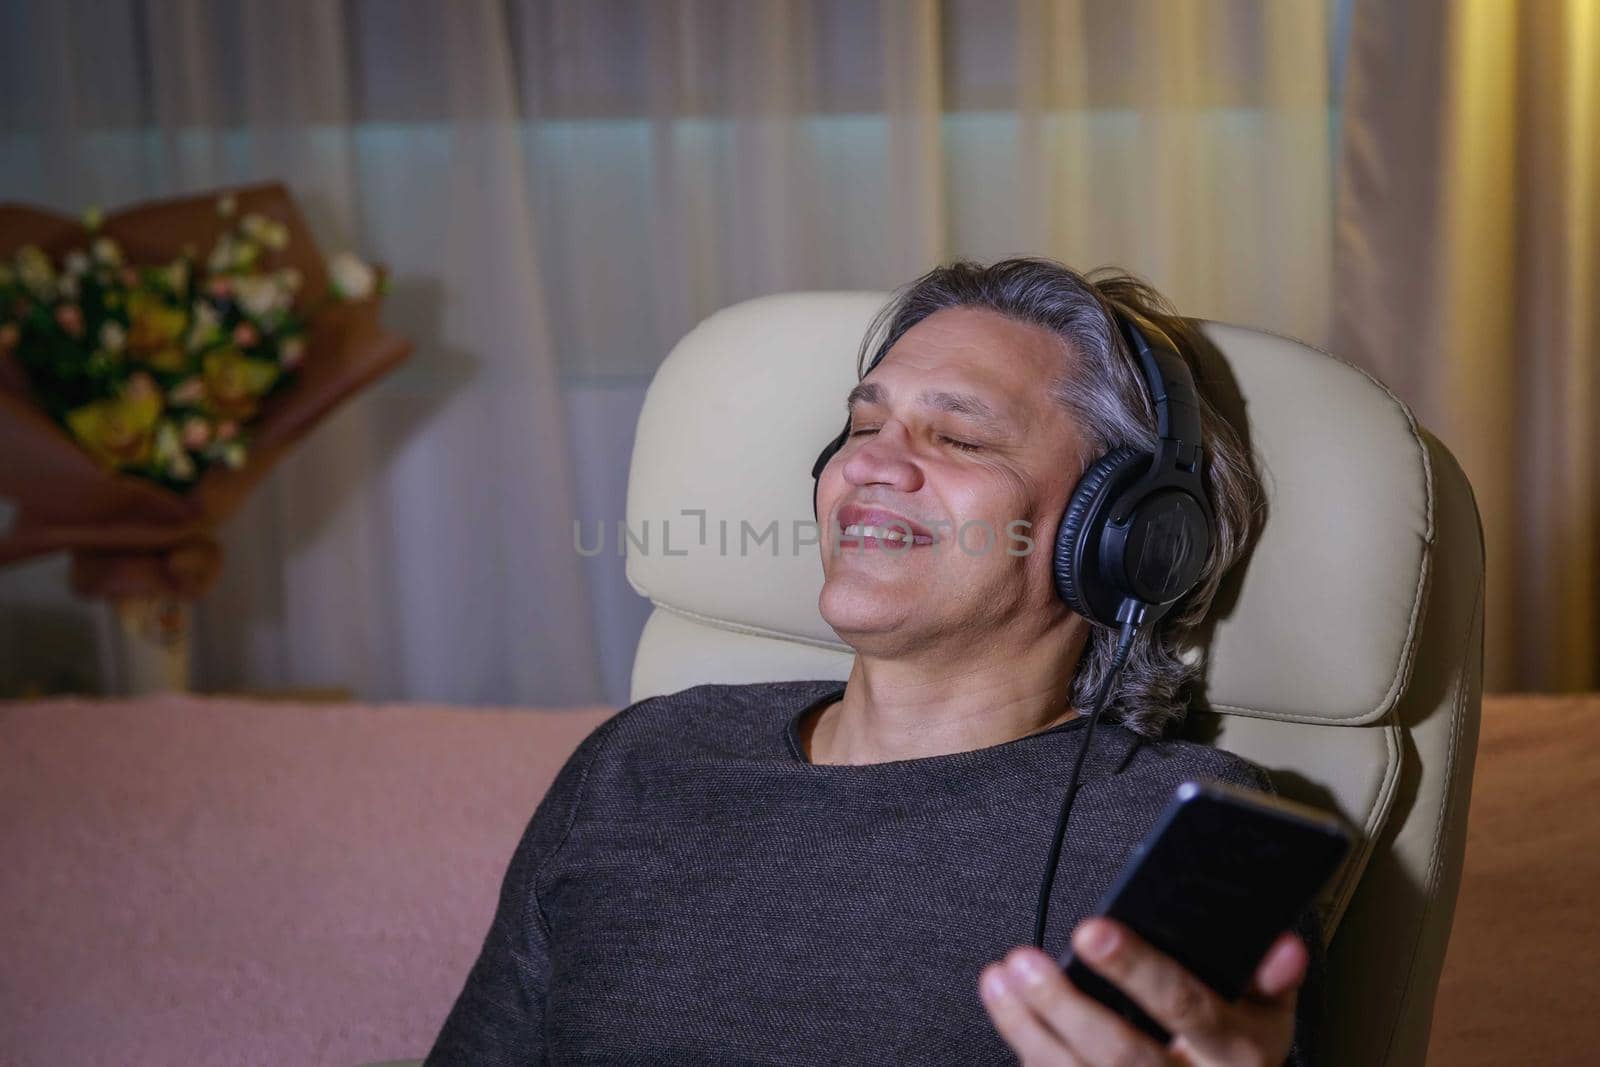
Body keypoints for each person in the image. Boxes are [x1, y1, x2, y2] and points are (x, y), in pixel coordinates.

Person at [425, 258, 1323, 1066]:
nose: (870, 467)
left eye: (960, 438)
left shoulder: (1184, 838)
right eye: (861, 428)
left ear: (1122, 539)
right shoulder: (644, 758)